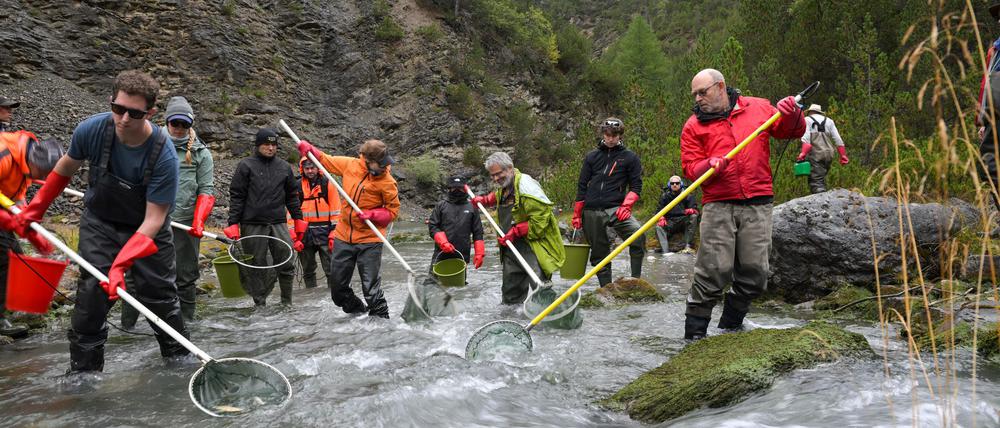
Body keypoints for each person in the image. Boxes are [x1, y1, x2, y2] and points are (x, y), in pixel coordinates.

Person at [6, 70, 190, 372]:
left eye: (135, 113)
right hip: (100, 223)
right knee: (92, 293)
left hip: (147, 231)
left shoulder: (164, 155)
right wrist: (34, 210)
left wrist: (120, 266)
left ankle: (178, 360)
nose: (124, 119)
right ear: (111, 102)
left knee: (159, 297)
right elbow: (64, 169)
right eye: (118, 109)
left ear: (151, 113)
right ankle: (84, 373)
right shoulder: (91, 130)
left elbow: (155, 219)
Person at [679, 68, 805, 340]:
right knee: (713, 272)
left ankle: (730, 327)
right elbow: (690, 168)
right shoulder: (693, 125)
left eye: (703, 92)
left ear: (721, 86)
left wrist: (792, 112)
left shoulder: (758, 107)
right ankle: (693, 337)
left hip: (758, 203)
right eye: (695, 94)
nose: (698, 99)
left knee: (756, 274)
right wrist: (707, 165)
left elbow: (790, 131)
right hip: (718, 203)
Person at [121, 96, 214, 328]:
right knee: (134, 278)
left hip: (184, 225)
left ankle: (186, 326)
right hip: (146, 223)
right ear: (167, 121)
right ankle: (127, 328)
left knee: (185, 278)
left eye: (185, 125)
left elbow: (206, 189)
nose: (180, 129)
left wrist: (199, 221)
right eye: (175, 124)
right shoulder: (146, 143)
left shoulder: (202, 154)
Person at [296, 138, 400, 318]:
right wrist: (310, 149)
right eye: (380, 164)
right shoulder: (350, 165)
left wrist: (373, 215)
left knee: (371, 291)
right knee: (338, 292)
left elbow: (392, 212)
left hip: (370, 240)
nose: (384, 167)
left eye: (385, 163)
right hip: (343, 237)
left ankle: (382, 327)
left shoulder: (387, 182)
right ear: (368, 160)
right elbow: (326, 160)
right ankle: (359, 314)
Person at [470, 152, 564, 304]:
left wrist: (516, 231)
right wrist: (485, 200)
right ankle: (511, 321)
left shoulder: (526, 187)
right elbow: (500, 195)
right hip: (511, 249)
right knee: (510, 294)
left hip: (533, 247)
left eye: (498, 174)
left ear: (510, 168)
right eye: (492, 175)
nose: (495, 178)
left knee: (540, 289)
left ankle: (549, 321)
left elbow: (541, 220)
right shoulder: (507, 185)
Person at [225, 128, 303, 306]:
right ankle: (260, 303)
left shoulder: (284, 167)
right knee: (256, 265)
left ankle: (287, 302)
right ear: (258, 145)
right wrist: (233, 223)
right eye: (266, 144)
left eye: (274, 145)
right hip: (252, 223)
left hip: (278, 223)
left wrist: (298, 219)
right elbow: (237, 195)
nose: (270, 148)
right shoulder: (246, 165)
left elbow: (292, 195)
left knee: (286, 262)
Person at [0, 130, 63, 338]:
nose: (44, 180)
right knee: (4, 260)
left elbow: (16, 199)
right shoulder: (5, 155)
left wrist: (30, 231)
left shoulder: (26, 161)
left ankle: (10, 309)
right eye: (45, 175)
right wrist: (10, 221)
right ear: (37, 164)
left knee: (15, 256)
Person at [571, 117, 645, 287]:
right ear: (603, 134)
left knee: (638, 235)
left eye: (615, 135)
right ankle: (606, 288)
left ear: (620, 135)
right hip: (591, 209)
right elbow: (582, 185)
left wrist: (627, 206)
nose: (611, 138)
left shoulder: (630, 157)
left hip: (616, 208)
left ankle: (636, 281)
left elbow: (636, 185)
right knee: (599, 252)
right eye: (608, 135)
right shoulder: (592, 156)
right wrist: (577, 214)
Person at [295, 157, 341, 289]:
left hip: (325, 233)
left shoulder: (328, 184)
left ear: (317, 168)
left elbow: (336, 210)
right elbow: (292, 213)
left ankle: (334, 297)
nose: (310, 171)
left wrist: (334, 233)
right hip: (304, 235)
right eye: (307, 168)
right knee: (308, 270)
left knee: (331, 270)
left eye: (312, 168)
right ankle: (311, 296)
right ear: (302, 170)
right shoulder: (297, 186)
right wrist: (294, 237)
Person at [429, 176, 485, 273]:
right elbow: (433, 226)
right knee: (433, 282)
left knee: (458, 285)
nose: (457, 190)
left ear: (464, 189)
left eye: (459, 188)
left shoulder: (472, 207)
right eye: (454, 188)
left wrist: (479, 253)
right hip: (441, 252)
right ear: (449, 189)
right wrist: (443, 243)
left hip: (462, 254)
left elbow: (478, 232)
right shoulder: (441, 205)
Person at [795, 104, 848, 194]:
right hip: (829, 154)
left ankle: (820, 200)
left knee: (816, 181)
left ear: (810, 112)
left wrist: (802, 154)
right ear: (820, 112)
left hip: (815, 154)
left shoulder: (807, 120)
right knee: (821, 177)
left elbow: (806, 140)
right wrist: (843, 156)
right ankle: (823, 195)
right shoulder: (829, 121)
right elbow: (838, 140)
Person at [654, 175, 698, 254]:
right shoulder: (665, 196)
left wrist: (692, 210)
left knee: (693, 217)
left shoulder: (688, 195)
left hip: (683, 221)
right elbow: (658, 210)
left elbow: (696, 210)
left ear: (680, 184)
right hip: (670, 222)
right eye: (672, 183)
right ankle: (665, 252)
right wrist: (661, 217)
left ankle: (687, 245)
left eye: (677, 183)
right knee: (658, 227)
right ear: (669, 185)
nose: (674, 185)